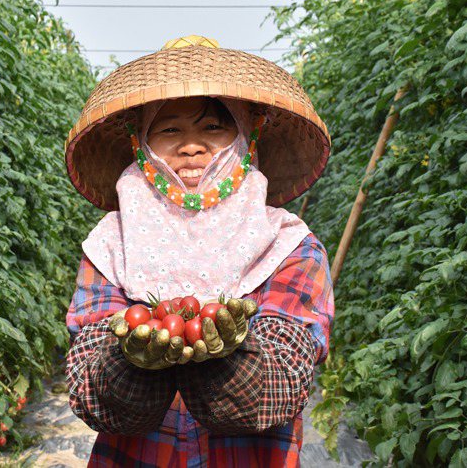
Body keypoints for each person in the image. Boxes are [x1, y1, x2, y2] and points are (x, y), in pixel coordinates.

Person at [62, 35, 335, 467]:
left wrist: (229, 359)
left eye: (213, 127)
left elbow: (286, 382)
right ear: (143, 145)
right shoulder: (113, 245)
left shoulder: (289, 247)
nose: (192, 146)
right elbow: (89, 390)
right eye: (169, 129)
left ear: (245, 138)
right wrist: (128, 362)